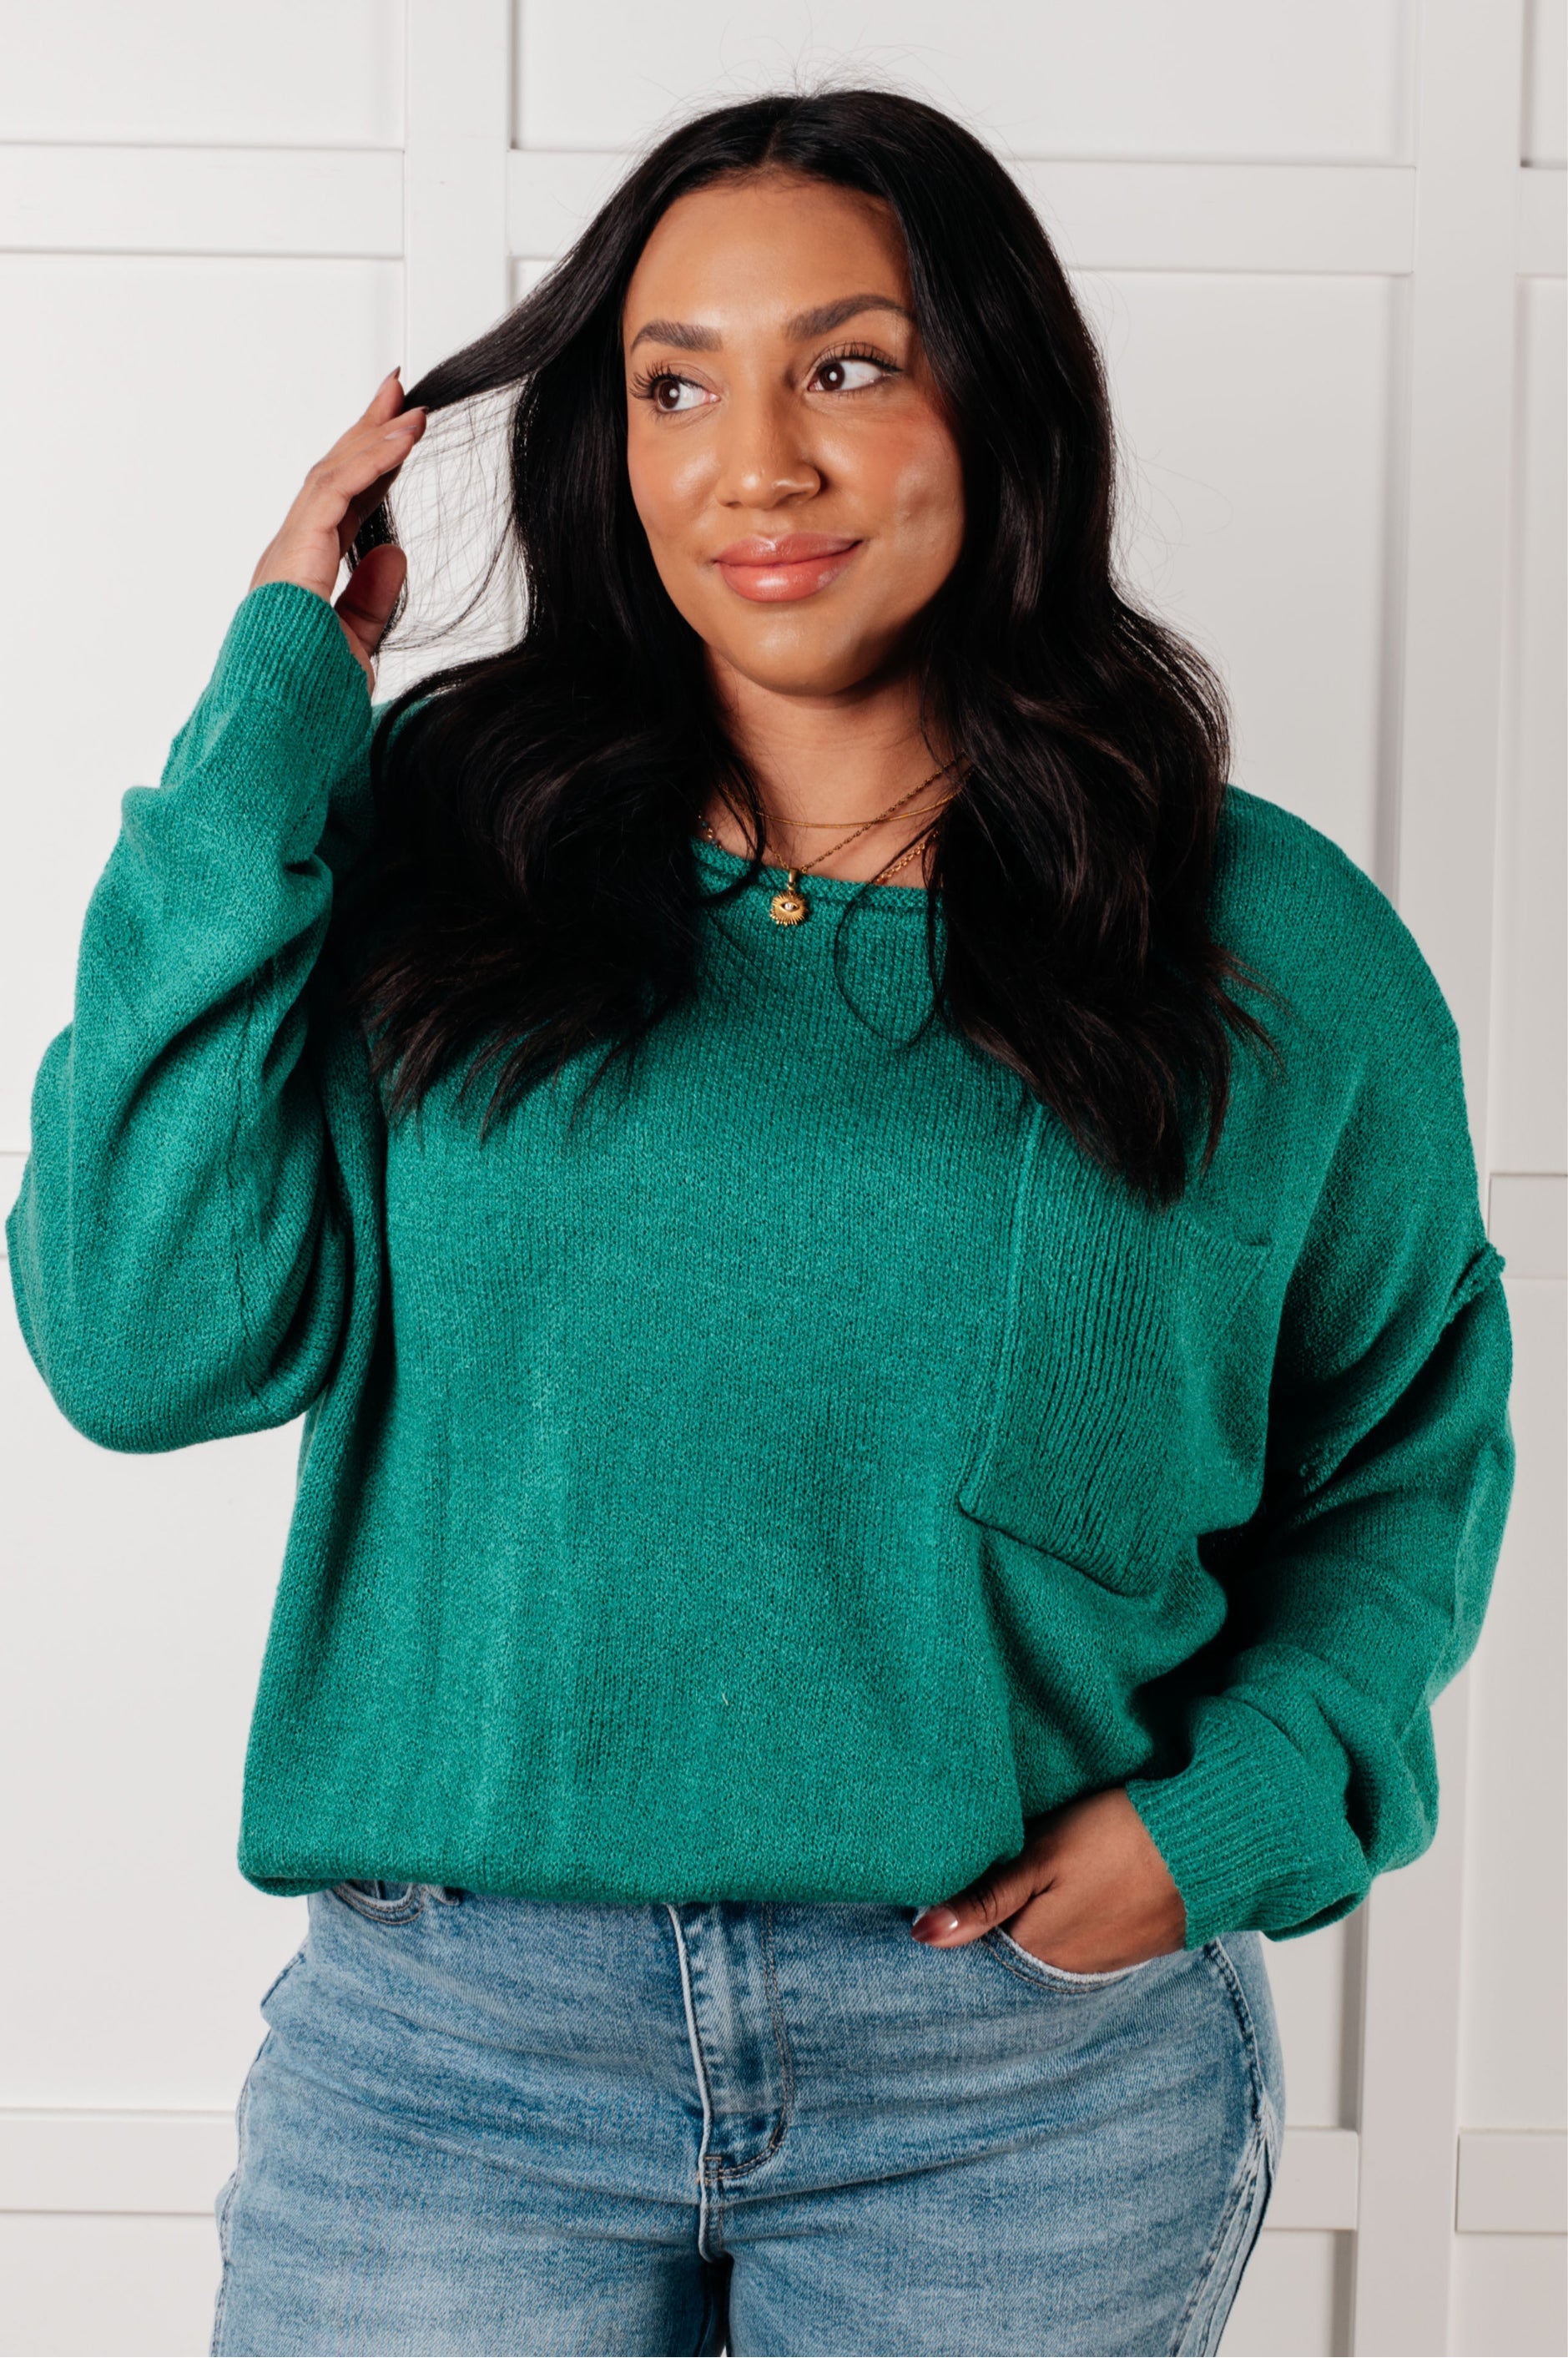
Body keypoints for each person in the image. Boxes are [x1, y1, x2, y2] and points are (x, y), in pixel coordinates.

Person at [6, 87, 1513, 2358]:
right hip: (455, 2060)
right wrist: (276, 705)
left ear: (999, 402)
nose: (758, 467)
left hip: (1014, 2072)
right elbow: (141, 1342)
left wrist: (1242, 1816)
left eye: (848, 366)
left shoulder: (1261, 938)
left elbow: (1404, 1452)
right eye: (675, 385)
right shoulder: (439, 848)